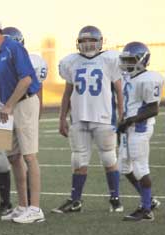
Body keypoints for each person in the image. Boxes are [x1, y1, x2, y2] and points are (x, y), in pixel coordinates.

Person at [0, 17, 44, 224]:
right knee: (12, 157)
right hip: (6, 106)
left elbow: (27, 80)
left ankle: (35, 208)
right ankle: (22, 206)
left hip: (23, 103)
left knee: (29, 156)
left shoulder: (13, 47)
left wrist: (9, 105)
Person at [53, 25, 124, 214]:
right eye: (83, 40)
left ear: (100, 41)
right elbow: (67, 92)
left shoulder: (110, 59)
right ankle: (75, 201)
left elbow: (118, 88)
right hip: (78, 117)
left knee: (109, 157)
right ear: (78, 43)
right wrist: (61, 117)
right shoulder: (71, 61)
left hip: (103, 117)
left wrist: (122, 112)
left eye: (91, 40)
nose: (87, 44)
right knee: (78, 160)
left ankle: (115, 199)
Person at [117, 42, 163, 221]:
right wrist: (123, 122)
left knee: (140, 168)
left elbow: (153, 109)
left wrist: (130, 120)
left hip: (140, 128)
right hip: (128, 127)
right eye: (125, 59)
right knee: (125, 167)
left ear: (142, 61)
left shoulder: (149, 78)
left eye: (131, 60)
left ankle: (146, 210)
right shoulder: (128, 76)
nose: (127, 63)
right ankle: (149, 200)